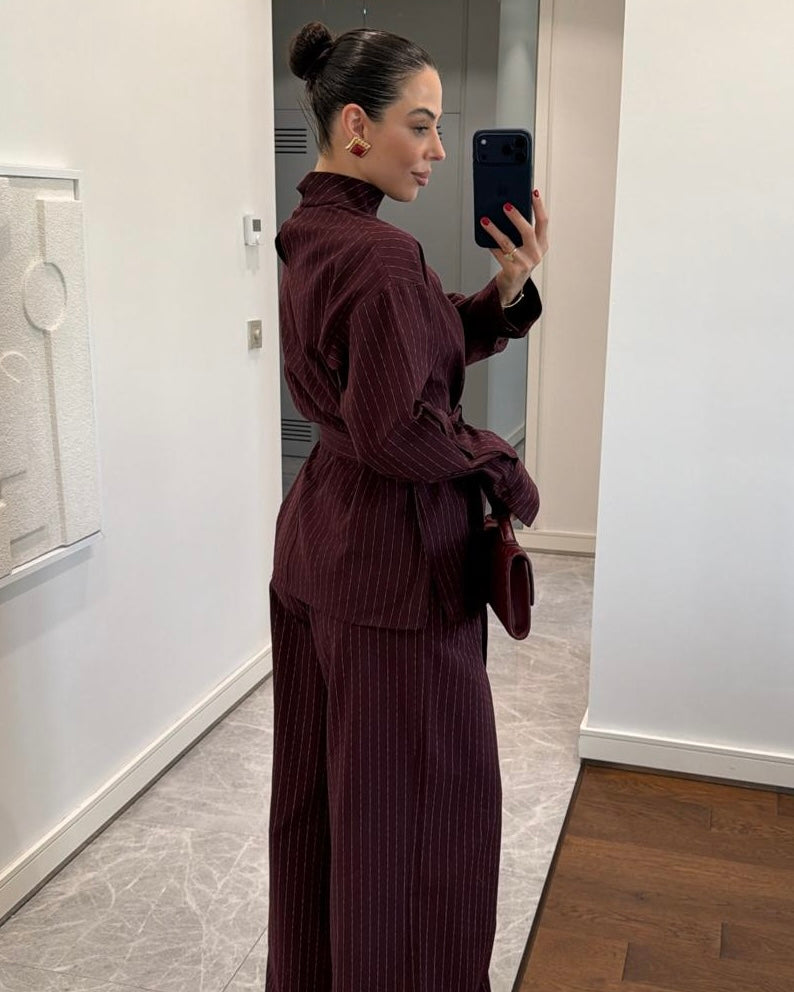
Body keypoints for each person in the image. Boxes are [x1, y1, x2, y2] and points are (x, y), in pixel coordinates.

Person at [268, 20, 549, 992]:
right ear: (356, 125)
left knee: (320, 808)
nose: (438, 150)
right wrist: (497, 462)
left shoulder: (314, 233)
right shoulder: (381, 258)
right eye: (419, 126)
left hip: (319, 547)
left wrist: (507, 291)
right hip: (393, 569)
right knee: (421, 829)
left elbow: (404, 359)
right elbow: (397, 428)